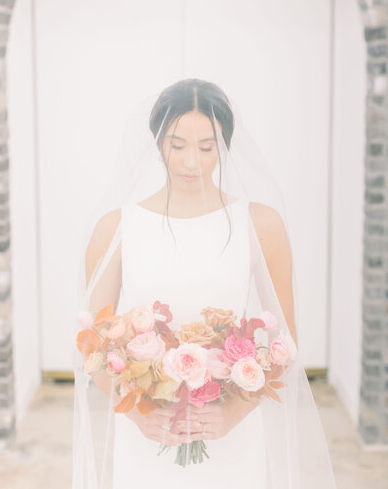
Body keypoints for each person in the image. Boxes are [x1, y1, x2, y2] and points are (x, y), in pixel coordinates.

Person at [72, 79, 337, 489]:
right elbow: (92, 342)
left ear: (225, 145)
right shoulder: (117, 229)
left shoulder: (260, 224)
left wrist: (234, 411)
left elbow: (284, 340)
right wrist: (138, 414)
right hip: (148, 434)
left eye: (207, 147)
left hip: (230, 433)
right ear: (157, 143)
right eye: (177, 146)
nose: (191, 162)